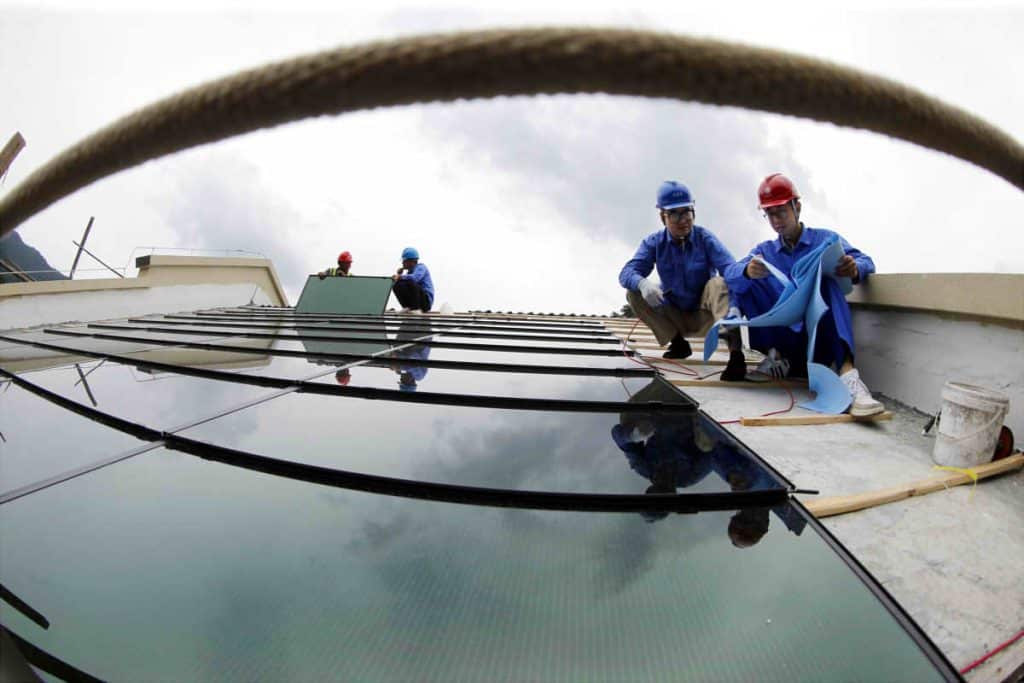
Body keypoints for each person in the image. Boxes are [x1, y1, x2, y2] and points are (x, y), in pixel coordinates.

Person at [724, 173, 883, 416]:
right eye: (770, 215)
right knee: (745, 280)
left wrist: (854, 268)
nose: (776, 220)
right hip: (783, 340)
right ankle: (776, 359)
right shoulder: (764, 251)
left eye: (781, 212)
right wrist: (747, 270)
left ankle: (848, 376)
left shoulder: (825, 239)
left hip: (816, 341)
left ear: (796, 206)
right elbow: (730, 274)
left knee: (828, 281)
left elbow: (866, 261)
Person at [618, 181, 746, 381]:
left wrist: (746, 271)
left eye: (687, 212)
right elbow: (627, 272)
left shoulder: (705, 239)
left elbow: (730, 269)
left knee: (719, 283)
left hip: (706, 317)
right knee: (633, 292)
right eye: (675, 214)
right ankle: (677, 343)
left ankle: (736, 356)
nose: (683, 220)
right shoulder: (654, 243)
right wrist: (643, 284)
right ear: (663, 217)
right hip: (674, 315)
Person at [391, 247, 434, 313]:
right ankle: (407, 307)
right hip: (416, 301)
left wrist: (400, 276)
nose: (402, 263)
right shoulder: (409, 273)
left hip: (425, 303)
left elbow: (415, 278)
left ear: (412, 261)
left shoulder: (421, 267)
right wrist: (399, 276)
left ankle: (416, 308)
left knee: (410, 281)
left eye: (404, 261)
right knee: (397, 284)